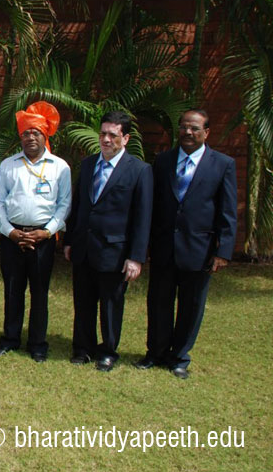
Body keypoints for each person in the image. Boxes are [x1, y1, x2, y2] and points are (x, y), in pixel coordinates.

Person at [135, 109, 237, 379]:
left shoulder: (222, 164)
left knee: (191, 306)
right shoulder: (163, 161)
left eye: (194, 128)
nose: (188, 133)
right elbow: (152, 205)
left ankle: (179, 357)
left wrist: (223, 251)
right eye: (183, 127)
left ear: (207, 132)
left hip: (199, 249)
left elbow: (228, 211)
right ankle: (155, 353)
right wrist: (144, 245)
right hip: (164, 247)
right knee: (158, 302)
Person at [63, 111, 152, 372]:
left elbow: (143, 217)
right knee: (83, 301)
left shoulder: (139, 170)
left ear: (126, 138)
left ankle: (108, 351)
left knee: (111, 304)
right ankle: (83, 348)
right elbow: (79, 204)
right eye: (103, 134)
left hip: (115, 251)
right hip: (84, 247)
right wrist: (69, 240)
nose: (106, 139)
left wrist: (136, 257)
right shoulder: (89, 164)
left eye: (113, 135)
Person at [0, 101, 71, 362]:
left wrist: (47, 232)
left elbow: (64, 204)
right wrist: (9, 231)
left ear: (45, 135)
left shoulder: (60, 167)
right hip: (13, 238)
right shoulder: (8, 165)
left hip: (42, 240)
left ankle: (37, 344)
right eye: (26, 133)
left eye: (36, 132)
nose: (31, 137)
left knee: (39, 292)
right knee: (12, 290)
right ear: (20, 136)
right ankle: (10, 339)